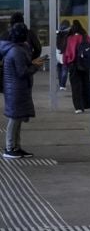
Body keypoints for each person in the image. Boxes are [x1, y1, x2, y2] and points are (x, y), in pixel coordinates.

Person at [3, 23, 45, 158]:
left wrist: (33, 63)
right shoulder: (16, 51)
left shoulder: (19, 49)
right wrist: (36, 66)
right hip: (15, 89)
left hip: (17, 88)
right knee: (14, 118)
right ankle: (9, 148)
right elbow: (22, 72)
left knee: (18, 118)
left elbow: (23, 66)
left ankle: (16, 147)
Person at [61, 23, 90, 114]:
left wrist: (65, 63)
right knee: (86, 83)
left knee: (76, 86)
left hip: (73, 64)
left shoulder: (70, 39)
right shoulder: (87, 38)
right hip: (85, 64)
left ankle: (78, 107)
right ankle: (87, 104)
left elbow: (66, 53)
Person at [54, 21, 72, 91]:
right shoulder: (67, 35)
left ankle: (61, 84)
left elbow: (57, 44)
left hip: (57, 54)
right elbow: (65, 45)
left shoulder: (58, 33)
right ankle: (62, 85)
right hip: (64, 54)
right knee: (65, 69)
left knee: (59, 69)